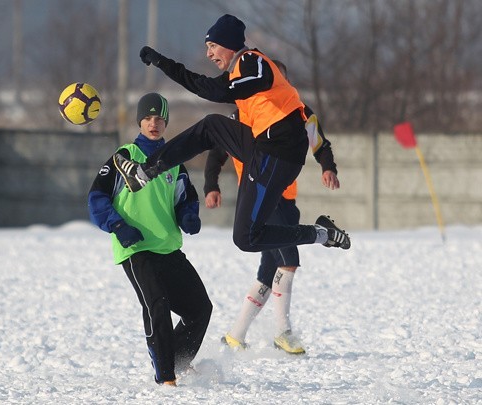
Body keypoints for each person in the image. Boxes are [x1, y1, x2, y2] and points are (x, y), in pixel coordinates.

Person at [112, 14, 350, 254]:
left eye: (212, 46)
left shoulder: (252, 60)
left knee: (247, 239)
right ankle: (145, 171)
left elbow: (256, 83)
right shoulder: (235, 73)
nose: (209, 54)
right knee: (212, 126)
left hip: (281, 152)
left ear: (229, 44)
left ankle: (321, 234)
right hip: (262, 148)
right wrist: (162, 62)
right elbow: (203, 86)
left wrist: (327, 164)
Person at [205, 61, 339, 353]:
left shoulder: (300, 111)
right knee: (288, 259)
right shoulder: (243, 112)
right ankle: (283, 332)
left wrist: (328, 167)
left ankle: (235, 335)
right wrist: (211, 185)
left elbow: (319, 142)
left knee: (268, 269)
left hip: (287, 198)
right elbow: (217, 152)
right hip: (261, 194)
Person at [88, 93, 212, 387]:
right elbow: (96, 198)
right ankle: (166, 376)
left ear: (166, 122)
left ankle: (179, 361)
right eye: (147, 118)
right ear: (139, 122)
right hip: (136, 248)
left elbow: (186, 198)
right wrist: (117, 225)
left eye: (159, 118)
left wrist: (188, 215)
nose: (153, 123)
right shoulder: (124, 157)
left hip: (167, 247)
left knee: (200, 309)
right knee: (157, 304)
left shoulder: (175, 162)